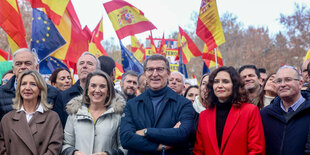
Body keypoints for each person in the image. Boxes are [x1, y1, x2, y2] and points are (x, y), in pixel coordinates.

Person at [120, 54, 195, 154]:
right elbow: (126, 139)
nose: (155, 74)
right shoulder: (132, 104)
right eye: (150, 69)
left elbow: (182, 134)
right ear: (145, 74)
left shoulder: (183, 104)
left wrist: (146, 131)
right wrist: (159, 146)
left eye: (160, 69)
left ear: (168, 74)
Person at [193, 66, 265, 154]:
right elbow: (199, 150)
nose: (220, 85)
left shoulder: (250, 111)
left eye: (225, 81)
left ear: (235, 85)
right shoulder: (204, 115)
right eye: (216, 82)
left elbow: (257, 150)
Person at [62, 70, 125, 155]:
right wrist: (74, 152)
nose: (97, 90)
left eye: (102, 86)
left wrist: (108, 154)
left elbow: (124, 147)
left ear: (108, 91)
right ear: (87, 89)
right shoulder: (75, 113)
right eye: (93, 86)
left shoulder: (118, 115)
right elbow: (66, 144)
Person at [0, 70, 63, 154]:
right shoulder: (7, 119)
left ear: (40, 90)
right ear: (19, 89)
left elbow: (55, 147)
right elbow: (2, 147)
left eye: (33, 84)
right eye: (24, 84)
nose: (27, 88)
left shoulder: (52, 118)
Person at [261, 65, 310, 155]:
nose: (283, 84)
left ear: (300, 83)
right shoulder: (265, 114)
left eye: (288, 79)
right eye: (279, 81)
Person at [0, 48, 59, 120]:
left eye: (28, 63)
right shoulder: (1, 93)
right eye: (18, 64)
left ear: (36, 68)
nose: (23, 67)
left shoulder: (54, 93)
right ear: (13, 69)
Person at [53, 52, 100, 126]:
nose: (84, 66)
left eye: (89, 63)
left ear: (98, 70)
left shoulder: (108, 95)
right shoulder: (62, 97)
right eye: (81, 63)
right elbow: (58, 128)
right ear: (77, 69)